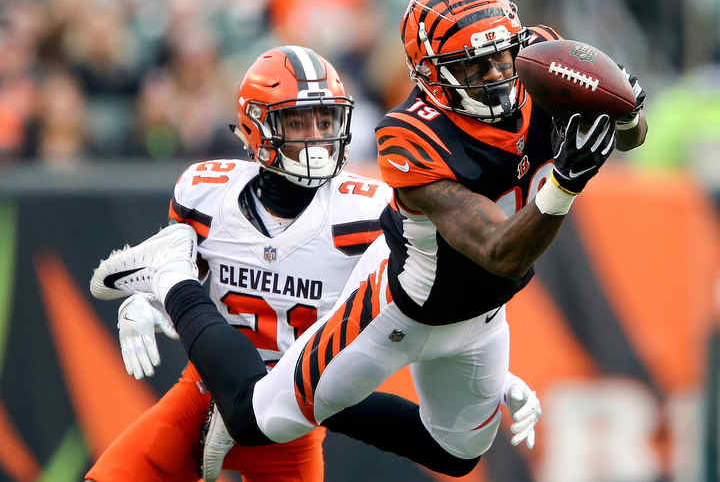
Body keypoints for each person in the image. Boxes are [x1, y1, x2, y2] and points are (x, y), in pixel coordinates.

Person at [87, 43, 540, 481]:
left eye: (327, 119)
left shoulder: (365, 210)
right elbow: (194, 275)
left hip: (296, 413)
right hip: (201, 395)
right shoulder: (206, 191)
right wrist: (145, 302)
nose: (318, 136)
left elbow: (417, 306)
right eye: (299, 121)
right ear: (255, 125)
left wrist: (489, 378)